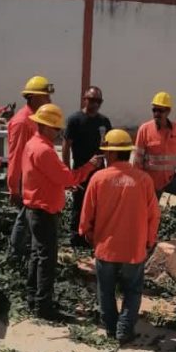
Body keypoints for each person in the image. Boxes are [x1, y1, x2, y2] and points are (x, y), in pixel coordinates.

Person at [21, 103, 101, 320]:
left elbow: (48, 177)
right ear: (46, 126)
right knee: (46, 260)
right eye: (56, 128)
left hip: (35, 208)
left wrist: (63, 184)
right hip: (43, 211)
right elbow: (67, 177)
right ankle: (43, 306)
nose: (58, 133)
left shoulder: (33, 144)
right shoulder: (44, 150)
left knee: (37, 256)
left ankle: (33, 298)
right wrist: (89, 166)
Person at [79, 129, 159, 344]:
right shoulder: (143, 179)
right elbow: (154, 214)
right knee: (133, 290)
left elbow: (87, 212)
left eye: (106, 152)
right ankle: (124, 329)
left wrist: (86, 232)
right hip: (134, 249)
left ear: (112, 153)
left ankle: (111, 327)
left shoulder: (98, 178)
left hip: (106, 248)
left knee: (105, 290)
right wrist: (149, 240)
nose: (105, 156)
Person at [132, 91, 176, 225]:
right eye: (154, 110)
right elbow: (138, 159)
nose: (156, 114)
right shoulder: (144, 130)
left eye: (160, 110)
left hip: (170, 179)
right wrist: (138, 182)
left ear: (168, 111)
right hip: (151, 182)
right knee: (149, 217)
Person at [6, 76, 55, 262]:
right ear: (33, 97)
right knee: (24, 217)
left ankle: (20, 253)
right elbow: (15, 155)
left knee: (27, 217)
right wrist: (13, 187)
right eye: (46, 97)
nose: (49, 100)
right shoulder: (22, 122)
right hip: (24, 180)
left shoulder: (35, 119)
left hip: (33, 178)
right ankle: (15, 255)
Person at [63, 86, 112, 249]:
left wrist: (111, 169)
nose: (95, 104)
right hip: (80, 170)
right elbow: (66, 146)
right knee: (79, 204)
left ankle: (93, 236)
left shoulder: (104, 122)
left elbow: (109, 147)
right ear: (84, 99)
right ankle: (76, 238)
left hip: (99, 172)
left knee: (97, 205)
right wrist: (67, 172)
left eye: (98, 101)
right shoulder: (75, 120)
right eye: (92, 100)